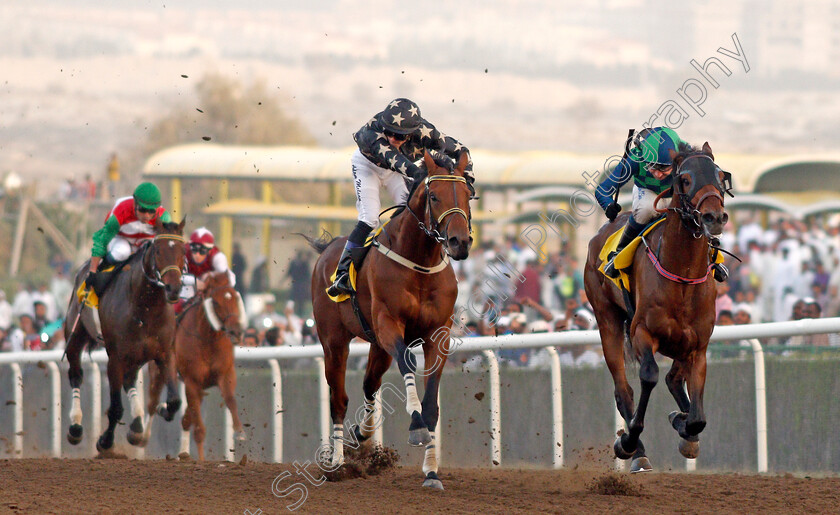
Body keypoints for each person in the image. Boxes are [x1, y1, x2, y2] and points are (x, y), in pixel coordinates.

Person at [328, 98, 474, 297]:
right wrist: (425, 176)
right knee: (370, 218)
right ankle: (343, 272)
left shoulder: (427, 132)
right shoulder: (371, 133)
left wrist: (468, 183)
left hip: (398, 170)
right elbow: (396, 161)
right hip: (368, 166)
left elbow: (462, 151)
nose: (393, 138)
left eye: (399, 135)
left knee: (412, 214)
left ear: (412, 132)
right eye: (389, 132)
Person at [595, 127, 727, 281]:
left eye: (664, 168)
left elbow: (711, 175)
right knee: (646, 210)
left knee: (703, 209)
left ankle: (714, 254)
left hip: (676, 194)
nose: (657, 174)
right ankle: (620, 252)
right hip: (647, 191)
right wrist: (608, 205)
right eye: (652, 166)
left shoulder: (687, 155)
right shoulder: (635, 158)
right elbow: (603, 189)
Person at [83, 182, 172, 338]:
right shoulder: (120, 212)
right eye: (143, 210)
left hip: (145, 243)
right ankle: (105, 276)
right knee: (122, 252)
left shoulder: (164, 217)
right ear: (135, 204)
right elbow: (101, 241)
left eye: (151, 212)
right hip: (120, 240)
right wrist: (93, 270)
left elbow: (167, 245)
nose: (146, 216)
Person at [180, 227, 236, 306]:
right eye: (194, 249)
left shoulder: (217, 257)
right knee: (185, 292)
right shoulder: (183, 253)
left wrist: (211, 277)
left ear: (209, 250)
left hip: (210, 291)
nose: (197, 255)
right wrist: (194, 281)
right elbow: (175, 277)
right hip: (187, 290)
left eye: (202, 251)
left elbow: (231, 280)